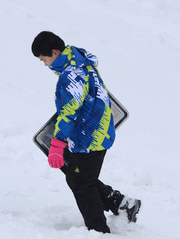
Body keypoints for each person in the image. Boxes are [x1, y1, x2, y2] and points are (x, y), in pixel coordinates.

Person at [31, 31, 141, 233]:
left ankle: (98, 231)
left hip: (89, 138)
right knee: (79, 177)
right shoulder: (81, 63)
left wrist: (57, 144)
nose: (45, 65)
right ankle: (122, 204)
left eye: (44, 59)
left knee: (81, 183)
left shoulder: (71, 75)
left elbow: (69, 112)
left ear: (55, 53)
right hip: (95, 132)